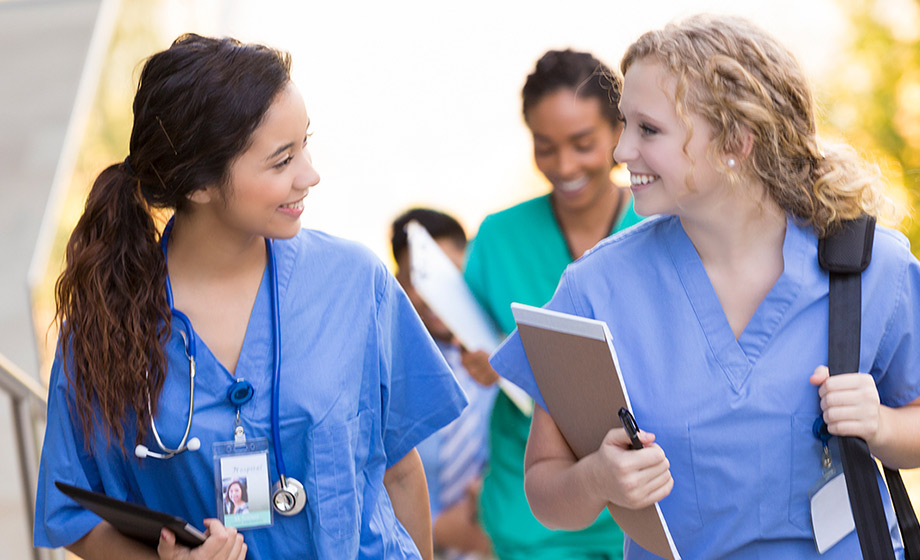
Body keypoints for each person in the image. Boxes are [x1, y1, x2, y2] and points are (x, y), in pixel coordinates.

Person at [490, 14, 920, 559]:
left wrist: (880, 424)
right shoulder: (595, 288)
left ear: (735, 141)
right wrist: (599, 479)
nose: (621, 152)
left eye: (648, 129)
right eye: (624, 125)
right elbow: (546, 490)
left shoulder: (870, 266)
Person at [34, 34, 467, 560]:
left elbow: (399, 469)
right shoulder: (107, 321)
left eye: (304, 145)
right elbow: (76, 516)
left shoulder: (356, 282)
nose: (310, 175)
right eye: (281, 161)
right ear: (198, 184)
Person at [463, 49, 643, 560]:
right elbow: (473, 337)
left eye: (582, 144)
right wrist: (484, 360)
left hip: (647, 506)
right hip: (533, 517)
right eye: (545, 147)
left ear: (618, 130)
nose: (564, 166)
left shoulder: (662, 228)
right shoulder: (499, 237)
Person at [391, 208, 498, 559]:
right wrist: (437, 526)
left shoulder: (506, 354)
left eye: (449, 273)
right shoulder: (393, 371)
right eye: (420, 278)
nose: (435, 292)